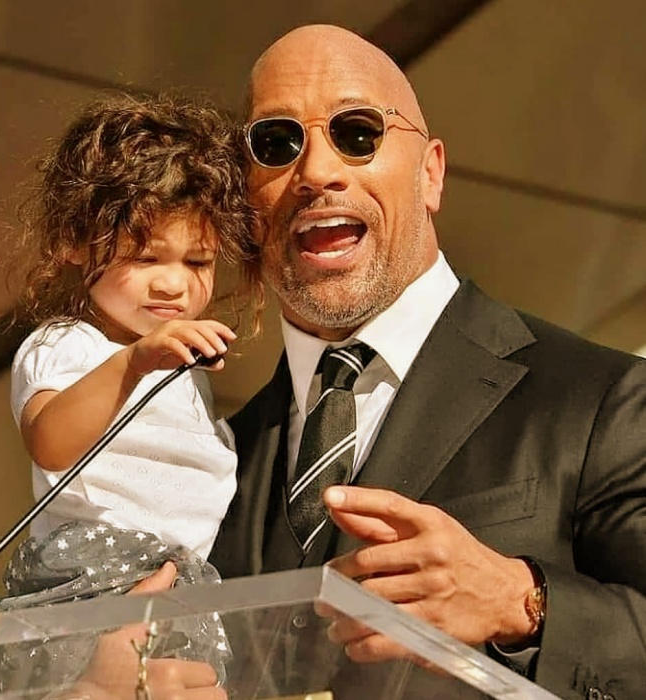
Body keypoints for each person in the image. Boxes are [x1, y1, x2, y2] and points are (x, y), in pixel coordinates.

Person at [203, 23, 646, 700]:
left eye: (358, 133)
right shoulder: (209, 461)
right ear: (244, 204)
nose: (318, 171)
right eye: (276, 143)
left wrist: (523, 604)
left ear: (430, 171)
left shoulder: (604, 399)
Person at [0, 91, 261, 697]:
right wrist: (133, 363)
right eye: (145, 255)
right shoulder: (66, 345)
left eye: (199, 262)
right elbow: (51, 441)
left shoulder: (182, 373)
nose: (174, 283)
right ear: (76, 242)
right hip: (88, 580)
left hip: (182, 585)